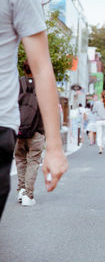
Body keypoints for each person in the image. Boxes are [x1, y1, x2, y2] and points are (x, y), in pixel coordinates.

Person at [0, 0, 68, 220]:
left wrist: (55, 147)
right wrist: (54, 146)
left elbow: (42, 68)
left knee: (21, 161)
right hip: (24, 129)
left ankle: (23, 190)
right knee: (29, 162)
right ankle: (26, 192)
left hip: (6, 125)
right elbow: (43, 70)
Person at [14, 61, 45, 206]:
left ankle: (20, 190)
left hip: (18, 130)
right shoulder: (43, 84)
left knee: (20, 160)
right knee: (33, 162)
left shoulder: (17, 83)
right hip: (37, 131)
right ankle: (28, 194)